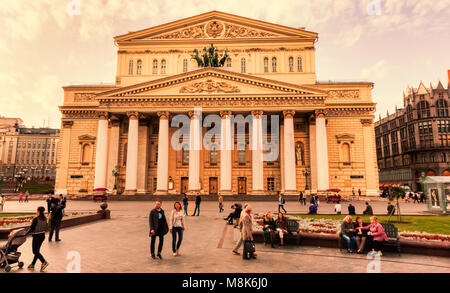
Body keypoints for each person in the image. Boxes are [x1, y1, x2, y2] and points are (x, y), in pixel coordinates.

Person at [26, 206, 49, 272]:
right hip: (42, 236)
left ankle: (44, 262)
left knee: (35, 251)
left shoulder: (36, 219)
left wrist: (26, 233)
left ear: (38, 211)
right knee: (37, 251)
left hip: (36, 236)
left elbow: (31, 228)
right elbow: (46, 226)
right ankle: (33, 264)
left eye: (36, 210)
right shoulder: (45, 218)